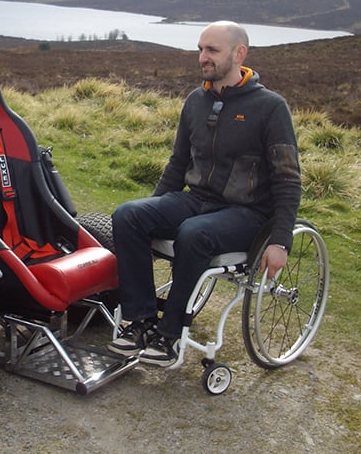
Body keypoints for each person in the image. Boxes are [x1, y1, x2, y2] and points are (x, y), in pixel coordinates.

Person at [108, 20, 302, 366]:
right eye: (200, 49)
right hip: (196, 200)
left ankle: (169, 335)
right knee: (128, 215)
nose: (202, 57)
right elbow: (177, 163)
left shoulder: (271, 107)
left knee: (193, 234)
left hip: (247, 213)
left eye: (211, 50)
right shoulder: (196, 101)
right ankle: (140, 321)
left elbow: (288, 178)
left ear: (238, 54)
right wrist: (152, 209)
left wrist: (281, 239)